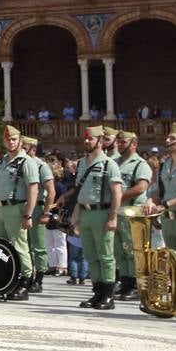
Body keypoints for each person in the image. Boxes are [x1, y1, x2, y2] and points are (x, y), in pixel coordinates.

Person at [73, 125, 121, 309]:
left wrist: (113, 217)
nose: (86, 141)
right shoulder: (82, 163)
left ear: (100, 141)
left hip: (102, 213)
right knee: (91, 255)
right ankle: (97, 292)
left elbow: (116, 193)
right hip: (85, 212)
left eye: (90, 139)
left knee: (106, 255)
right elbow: (78, 190)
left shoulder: (109, 164)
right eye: (85, 138)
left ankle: (108, 295)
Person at [0, 126, 37, 301]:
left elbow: (33, 189)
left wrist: (28, 214)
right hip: (1, 208)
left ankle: (24, 282)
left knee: (19, 247)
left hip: (16, 207)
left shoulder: (26, 162)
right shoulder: (3, 161)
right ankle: (6, 280)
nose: (10, 142)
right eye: (7, 139)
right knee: (1, 248)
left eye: (14, 139)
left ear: (20, 141)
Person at [112, 130, 150, 301]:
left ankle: (136, 285)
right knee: (120, 250)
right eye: (118, 142)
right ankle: (125, 282)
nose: (119, 144)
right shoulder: (114, 163)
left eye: (123, 142)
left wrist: (117, 197)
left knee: (134, 250)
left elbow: (140, 187)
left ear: (133, 144)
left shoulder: (140, 164)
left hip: (132, 212)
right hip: (117, 212)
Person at [22, 137, 54, 293]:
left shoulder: (41, 166)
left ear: (33, 150)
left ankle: (39, 278)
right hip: (23, 207)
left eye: (25, 147)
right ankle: (26, 276)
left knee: (38, 245)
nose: (22, 149)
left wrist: (46, 212)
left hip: (37, 208)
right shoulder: (21, 163)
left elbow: (51, 192)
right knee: (24, 245)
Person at [142, 124, 176, 249]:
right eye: (167, 138)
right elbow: (158, 190)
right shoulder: (163, 166)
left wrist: (165, 205)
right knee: (172, 263)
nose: (167, 140)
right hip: (168, 222)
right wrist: (150, 201)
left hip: (170, 212)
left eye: (172, 138)